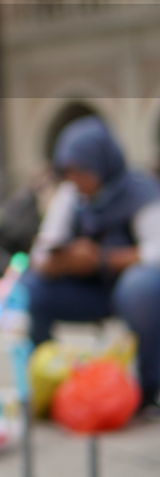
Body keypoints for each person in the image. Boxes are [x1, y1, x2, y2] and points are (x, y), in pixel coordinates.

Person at [25, 116, 160, 411]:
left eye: (81, 171)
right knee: (33, 288)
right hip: (90, 293)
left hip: (132, 295)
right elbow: (40, 254)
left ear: (101, 164)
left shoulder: (140, 192)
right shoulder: (71, 196)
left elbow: (155, 250)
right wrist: (64, 262)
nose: (76, 179)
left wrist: (104, 259)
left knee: (142, 287)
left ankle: (150, 388)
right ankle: (48, 383)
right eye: (70, 172)